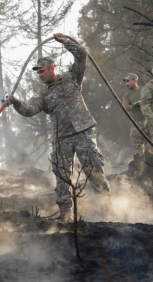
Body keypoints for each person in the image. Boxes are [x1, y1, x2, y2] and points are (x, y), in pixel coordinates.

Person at [7, 33, 110, 222]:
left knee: (94, 171)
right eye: (37, 73)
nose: (40, 75)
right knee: (62, 178)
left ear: (52, 68)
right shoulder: (41, 96)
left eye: (42, 71)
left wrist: (66, 42)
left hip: (83, 133)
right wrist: (16, 102)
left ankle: (108, 213)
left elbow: (81, 55)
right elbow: (29, 110)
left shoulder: (72, 78)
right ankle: (65, 216)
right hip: (61, 139)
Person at [122, 73, 145, 158]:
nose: (126, 84)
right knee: (137, 146)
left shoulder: (144, 90)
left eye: (128, 81)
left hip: (149, 121)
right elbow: (125, 107)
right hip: (136, 123)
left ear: (135, 80)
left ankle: (152, 164)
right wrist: (135, 105)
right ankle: (139, 165)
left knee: (152, 145)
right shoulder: (127, 95)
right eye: (125, 82)